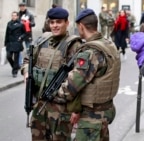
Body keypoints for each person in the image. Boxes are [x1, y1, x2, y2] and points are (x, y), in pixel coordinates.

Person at [55, 8, 121, 140]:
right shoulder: (108, 44)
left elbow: (71, 87)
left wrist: (54, 94)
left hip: (91, 118)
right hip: (105, 110)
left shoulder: (90, 53)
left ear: (81, 26)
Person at [21, 7, 82, 140]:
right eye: (52, 22)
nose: (54, 25)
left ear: (67, 23)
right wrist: (26, 72)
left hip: (61, 109)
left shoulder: (74, 45)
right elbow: (27, 60)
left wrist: (77, 110)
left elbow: (80, 80)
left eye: (59, 22)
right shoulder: (42, 40)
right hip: (40, 105)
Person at [4, 11, 26, 77]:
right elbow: (6, 33)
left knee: (16, 58)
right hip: (10, 42)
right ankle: (15, 67)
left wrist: (21, 37)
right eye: (12, 15)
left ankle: (14, 72)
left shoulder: (21, 24)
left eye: (15, 15)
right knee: (8, 56)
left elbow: (25, 33)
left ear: (17, 16)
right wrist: (5, 42)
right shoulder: (9, 23)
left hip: (17, 42)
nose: (13, 17)